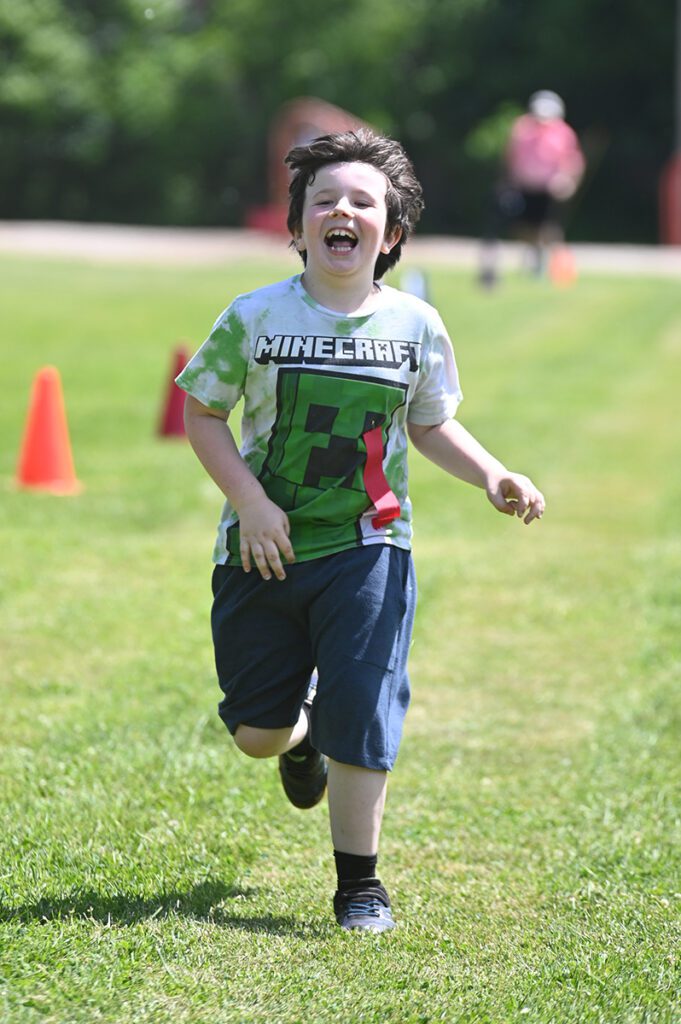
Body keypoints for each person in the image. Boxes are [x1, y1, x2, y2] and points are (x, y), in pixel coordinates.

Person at [177, 128, 545, 934]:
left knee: (366, 709)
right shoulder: (253, 317)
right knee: (256, 735)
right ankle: (298, 732)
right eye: (325, 201)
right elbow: (200, 411)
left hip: (370, 547)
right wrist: (250, 502)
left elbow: (431, 422)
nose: (342, 211)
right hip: (262, 549)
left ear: (392, 233)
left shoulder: (415, 324)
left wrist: (493, 473)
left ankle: (359, 887)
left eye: (362, 202)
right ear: (299, 225)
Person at [479, 90, 585, 286]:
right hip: (524, 186)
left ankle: (544, 262)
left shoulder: (563, 133)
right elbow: (510, 157)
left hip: (548, 189)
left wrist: (568, 182)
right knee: (523, 227)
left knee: (546, 228)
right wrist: (506, 181)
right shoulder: (522, 128)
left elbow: (572, 161)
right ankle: (534, 254)